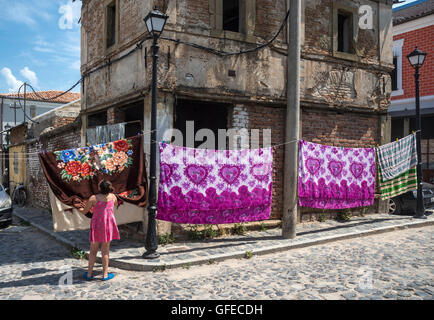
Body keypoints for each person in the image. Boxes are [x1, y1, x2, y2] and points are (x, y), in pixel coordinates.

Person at [79, 180, 120, 281]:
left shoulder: (93, 198)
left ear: (100, 188)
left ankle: (89, 274)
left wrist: (78, 208)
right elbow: (116, 204)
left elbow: (85, 211)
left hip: (97, 226)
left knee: (93, 251)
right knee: (105, 251)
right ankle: (105, 275)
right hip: (108, 225)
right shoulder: (113, 197)